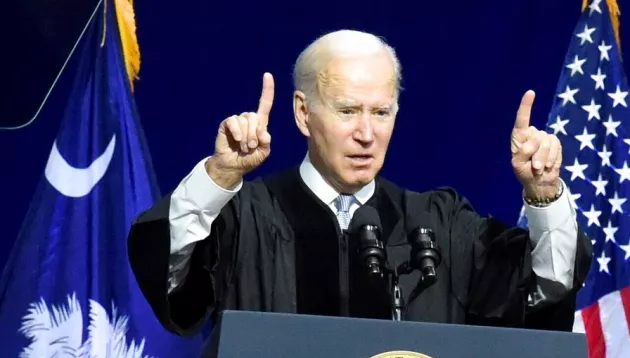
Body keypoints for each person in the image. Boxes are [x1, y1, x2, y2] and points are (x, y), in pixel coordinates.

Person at [127, 29, 591, 337]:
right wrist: (221, 175)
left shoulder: (439, 224)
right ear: (303, 113)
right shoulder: (247, 219)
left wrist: (543, 193)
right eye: (348, 111)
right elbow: (168, 274)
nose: (366, 134)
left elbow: (546, 288)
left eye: (381, 112)